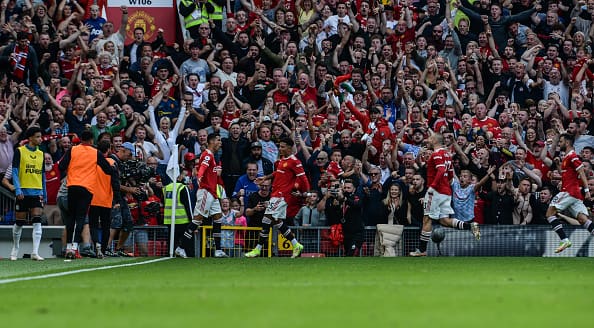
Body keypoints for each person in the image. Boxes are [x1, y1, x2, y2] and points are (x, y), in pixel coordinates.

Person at [410, 134, 481, 257]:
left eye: (430, 138)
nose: (428, 140)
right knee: (444, 220)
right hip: (446, 191)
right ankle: (470, 226)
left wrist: (433, 187)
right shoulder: (447, 155)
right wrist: (444, 186)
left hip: (436, 191)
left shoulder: (436, 154)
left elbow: (442, 170)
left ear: (434, 140)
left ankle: (421, 250)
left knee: (427, 219)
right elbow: (449, 174)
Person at [245, 137, 310, 258]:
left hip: (282, 196)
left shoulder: (295, 161)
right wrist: (265, 178)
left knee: (266, 220)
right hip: (275, 194)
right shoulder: (282, 160)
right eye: (279, 146)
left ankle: (257, 249)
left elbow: (303, 177)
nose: (280, 148)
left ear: (290, 148)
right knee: (277, 222)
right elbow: (278, 173)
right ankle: (296, 245)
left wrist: (307, 192)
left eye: (283, 146)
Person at [59, 130, 117, 259]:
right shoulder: (95, 152)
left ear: (80, 139)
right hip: (86, 189)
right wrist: (114, 170)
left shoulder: (73, 150)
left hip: (72, 186)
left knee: (71, 217)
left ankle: (68, 247)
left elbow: (61, 166)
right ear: (91, 140)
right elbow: (107, 170)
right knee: (80, 218)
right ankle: (74, 248)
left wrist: (72, 170)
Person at [181, 133, 229, 258]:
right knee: (197, 220)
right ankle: (181, 247)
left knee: (218, 219)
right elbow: (202, 167)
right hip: (206, 192)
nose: (220, 142)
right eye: (218, 140)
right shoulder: (207, 155)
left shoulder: (212, 156)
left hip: (212, 194)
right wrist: (200, 176)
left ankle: (218, 250)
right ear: (211, 141)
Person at [546, 134, 594, 253]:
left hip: (569, 191)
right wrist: (557, 173)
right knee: (583, 220)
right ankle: (565, 239)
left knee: (550, 213)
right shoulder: (567, 157)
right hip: (574, 193)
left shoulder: (572, 156)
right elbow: (569, 177)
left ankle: (564, 239)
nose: (559, 143)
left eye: (561, 141)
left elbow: (581, 171)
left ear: (567, 143)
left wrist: (587, 190)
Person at [10, 127, 46, 261]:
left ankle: (35, 252)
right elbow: (14, 171)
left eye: (40, 136)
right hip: (23, 191)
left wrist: (44, 193)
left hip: (37, 191)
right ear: (30, 138)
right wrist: (18, 189)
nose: (40, 139)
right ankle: (15, 248)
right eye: (37, 136)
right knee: (19, 222)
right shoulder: (20, 151)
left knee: (37, 220)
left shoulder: (41, 153)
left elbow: (42, 175)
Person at [164, 178, 195, 258]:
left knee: (172, 244)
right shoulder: (182, 187)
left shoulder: (165, 188)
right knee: (187, 243)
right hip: (183, 220)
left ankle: (170, 259)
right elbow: (188, 205)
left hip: (169, 220)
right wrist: (193, 221)